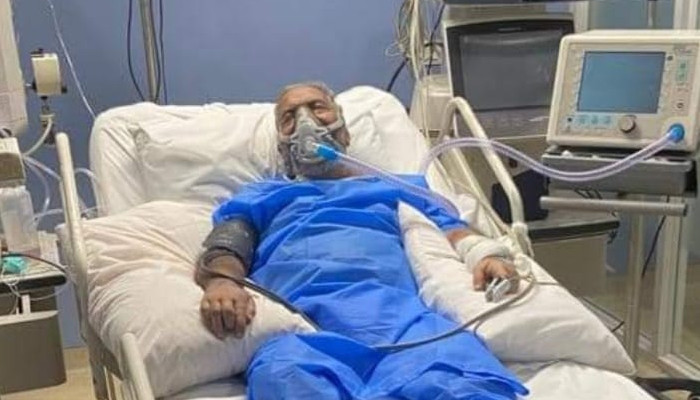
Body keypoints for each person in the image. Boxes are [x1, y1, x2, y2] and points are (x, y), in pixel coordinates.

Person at [194, 82, 527, 400]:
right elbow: (230, 242)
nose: (305, 120)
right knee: (284, 377)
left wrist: (483, 254)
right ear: (282, 145)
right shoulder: (264, 193)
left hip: (402, 323)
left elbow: (449, 228)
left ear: (345, 133)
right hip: (303, 330)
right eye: (289, 117)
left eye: (317, 107)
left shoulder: (396, 185)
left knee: (459, 375)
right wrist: (222, 282)